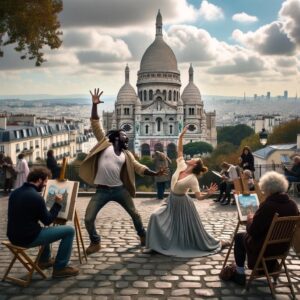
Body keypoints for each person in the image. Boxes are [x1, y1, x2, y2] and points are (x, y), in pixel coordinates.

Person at [79, 88, 167, 255]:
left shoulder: (127, 155)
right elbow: (95, 123)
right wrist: (94, 105)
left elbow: (139, 167)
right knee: (89, 218)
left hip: (120, 190)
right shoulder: (104, 143)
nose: (127, 136)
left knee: (135, 214)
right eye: (125, 134)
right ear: (117, 136)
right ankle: (95, 242)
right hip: (102, 190)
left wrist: (154, 174)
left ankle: (143, 236)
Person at [146, 126, 227, 257]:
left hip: (182, 204)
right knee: (155, 216)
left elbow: (199, 197)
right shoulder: (182, 165)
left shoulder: (193, 179)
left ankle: (216, 243)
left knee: (183, 229)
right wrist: (181, 136)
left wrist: (209, 193)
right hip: (170, 200)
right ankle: (154, 245)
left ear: (194, 165)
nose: (192, 157)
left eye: (194, 159)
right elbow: (180, 151)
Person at [222, 171, 299, 286]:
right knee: (245, 237)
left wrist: (250, 219)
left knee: (239, 237)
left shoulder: (268, 206)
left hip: (264, 247)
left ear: (267, 189)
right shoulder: (292, 205)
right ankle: (268, 267)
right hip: (281, 247)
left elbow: (253, 231)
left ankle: (240, 274)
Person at [7, 167, 79, 278]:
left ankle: (44, 260)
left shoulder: (15, 193)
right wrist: (57, 204)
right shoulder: (36, 197)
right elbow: (47, 221)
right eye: (45, 181)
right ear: (39, 180)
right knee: (69, 230)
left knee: (40, 229)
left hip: (13, 237)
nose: (46, 185)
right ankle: (60, 268)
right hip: (27, 239)